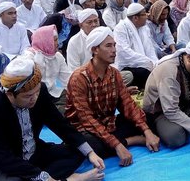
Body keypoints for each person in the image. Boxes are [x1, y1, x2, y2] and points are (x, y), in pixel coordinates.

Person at [0, 57, 105, 181]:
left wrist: (90, 153)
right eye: (27, 96)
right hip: (0, 167)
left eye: (36, 92)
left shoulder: (39, 91)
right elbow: (1, 158)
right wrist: (43, 177)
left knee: (79, 151)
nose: (34, 99)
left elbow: (59, 124)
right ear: (9, 94)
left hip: (33, 154)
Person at [66, 27, 160, 166]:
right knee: (92, 147)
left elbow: (128, 105)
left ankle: (133, 137)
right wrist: (118, 145)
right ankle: (132, 140)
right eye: (108, 46)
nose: (114, 50)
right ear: (95, 50)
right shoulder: (79, 78)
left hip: (108, 123)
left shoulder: (114, 74)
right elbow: (87, 120)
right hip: (85, 128)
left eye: (114, 45)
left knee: (148, 119)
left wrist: (147, 131)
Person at [113, 3, 158, 89]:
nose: (147, 16)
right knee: (145, 74)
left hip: (144, 63)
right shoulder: (120, 28)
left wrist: (155, 63)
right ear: (135, 18)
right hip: (127, 65)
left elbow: (150, 49)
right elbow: (124, 52)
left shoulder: (144, 28)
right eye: (144, 14)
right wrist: (147, 62)